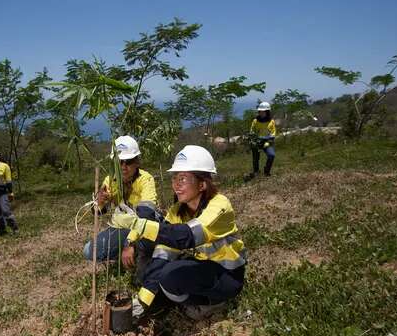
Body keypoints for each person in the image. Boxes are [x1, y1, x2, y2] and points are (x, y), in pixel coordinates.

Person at [111, 145, 247, 320]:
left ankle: (214, 303)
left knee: (170, 276)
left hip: (227, 275)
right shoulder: (177, 211)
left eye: (183, 179)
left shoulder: (220, 205)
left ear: (202, 183)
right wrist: (143, 300)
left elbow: (185, 236)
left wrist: (138, 224)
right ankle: (181, 298)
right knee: (152, 277)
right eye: (174, 178)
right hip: (202, 267)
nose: (175, 184)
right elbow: (164, 252)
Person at [83, 136, 160, 280]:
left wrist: (130, 243)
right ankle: (127, 254)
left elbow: (147, 216)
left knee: (143, 277)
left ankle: (142, 253)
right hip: (121, 227)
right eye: (119, 162)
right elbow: (97, 212)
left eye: (129, 162)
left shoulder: (146, 179)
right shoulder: (110, 180)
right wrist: (99, 202)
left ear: (137, 162)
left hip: (143, 227)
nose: (124, 167)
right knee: (89, 251)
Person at [249, 101, 277, 178]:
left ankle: (266, 171)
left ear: (267, 112)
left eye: (263, 111)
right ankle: (256, 172)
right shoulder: (255, 121)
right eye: (260, 111)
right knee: (255, 158)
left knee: (271, 155)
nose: (261, 113)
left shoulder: (271, 121)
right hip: (256, 141)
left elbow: (273, 133)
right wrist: (253, 140)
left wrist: (269, 141)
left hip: (267, 141)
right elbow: (252, 131)